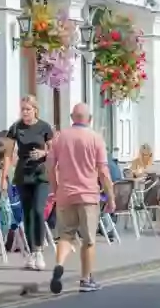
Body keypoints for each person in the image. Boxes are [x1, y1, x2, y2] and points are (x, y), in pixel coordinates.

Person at [45, 104, 114, 294]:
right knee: (88, 240)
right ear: (90, 119)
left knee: (65, 236)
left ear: (71, 117)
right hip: (88, 195)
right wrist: (111, 196)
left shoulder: (60, 138)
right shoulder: (95, 138)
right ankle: (86, 279)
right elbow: (103, 171)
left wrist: (55, 189)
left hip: (65, 194)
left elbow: (49, 167)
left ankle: (59, 265)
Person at [1, 95, 54, 271]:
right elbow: (7, 154)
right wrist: (3, 178)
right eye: (22, 109)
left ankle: (38, 250)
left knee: (38, 211)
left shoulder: (44, 127)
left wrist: (43, 155)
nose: (24, 112)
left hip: (41, 175)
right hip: (23, 174)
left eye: (28, 109)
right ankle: (32, 252)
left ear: (35, 110)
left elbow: (54, 151)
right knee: (28, 213)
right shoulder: (16, 127)